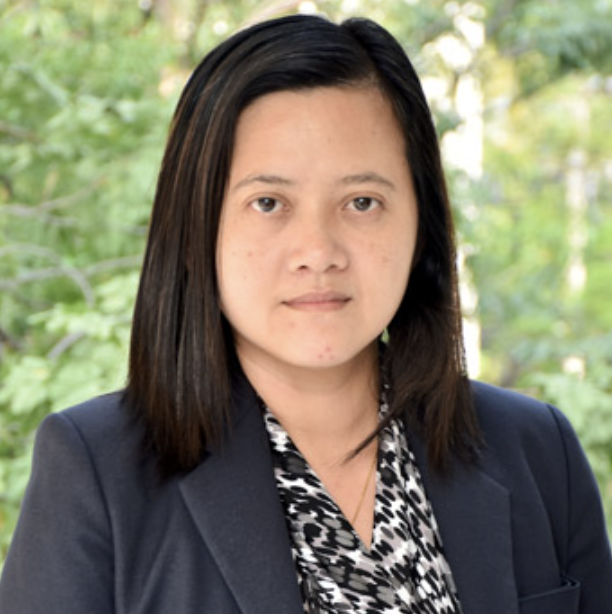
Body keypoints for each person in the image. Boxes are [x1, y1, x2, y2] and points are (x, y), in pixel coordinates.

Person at [1, 13, 611, 614]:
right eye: (269, 203)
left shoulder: (537, 451)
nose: (318, 252)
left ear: (421, 222)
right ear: (196, 224)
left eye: (362, 202)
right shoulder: (96, 472)